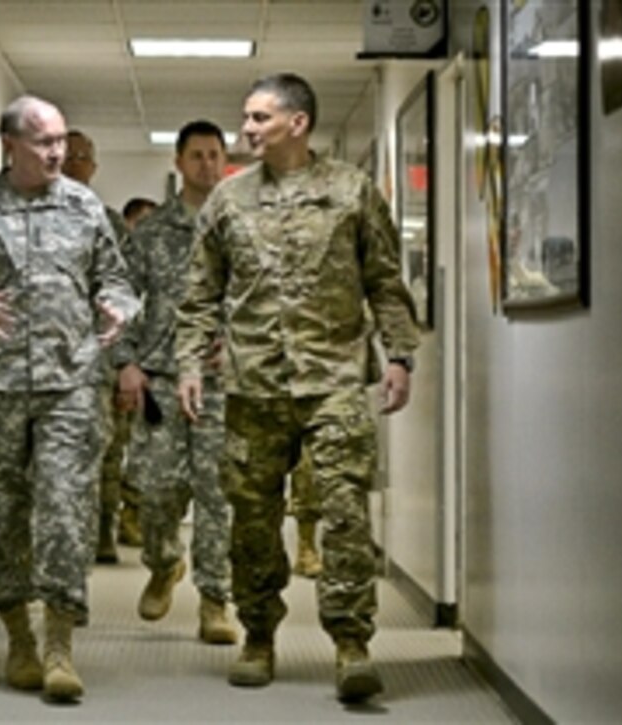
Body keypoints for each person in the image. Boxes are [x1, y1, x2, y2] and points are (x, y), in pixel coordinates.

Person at [174, 73, 419, 703]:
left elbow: (385, 280)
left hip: (335, 377)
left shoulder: (351, 191)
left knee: (342, 513)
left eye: (258, 118)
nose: (246, 129)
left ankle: (351, 644)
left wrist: (400, 356)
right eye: (246, 118)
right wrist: (189, 364)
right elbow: (199, 294)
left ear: (298, 123)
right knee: (253, 520)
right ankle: (258, 634)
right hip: (254, 384)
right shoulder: (229, 201)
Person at [0, 95, 139, 704]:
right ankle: (17, 636)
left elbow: (117, 278)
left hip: (69, 384)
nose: (58, 152)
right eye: (44, 142)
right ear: (10, 144)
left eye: (62, 140)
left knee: (66, 510)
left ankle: (59, 647)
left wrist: (118, 308)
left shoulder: (85, 207)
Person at [113, 120, 236, 645]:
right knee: (157, 492)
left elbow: (266, 297)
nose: (207, 165)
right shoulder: (152, 233)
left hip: (220, 381)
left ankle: (215, 601)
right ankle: (165, 565)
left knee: (218, 495)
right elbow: (117, 298)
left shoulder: (240, 224)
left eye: (215, 155)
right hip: (161, 379)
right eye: (198, 156)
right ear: (179, 162)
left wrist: (238, 340)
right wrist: (124, 361)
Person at [61, 128, 131, 565]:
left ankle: (103, 529)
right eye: (65, 155)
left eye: (81, 157)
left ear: (93, 167)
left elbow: (129, 294)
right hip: (47, 365)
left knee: (106, 453)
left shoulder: (111, 224)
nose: (71, 163)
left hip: (100, 361)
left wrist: (127, 363)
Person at [115, 194, 159, 547]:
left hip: (153, 367)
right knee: (113, 448)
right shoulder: (116, 263)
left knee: (143, 450)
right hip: (117, 366)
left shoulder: (162, 260)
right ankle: (108, 526)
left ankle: (133, 515)